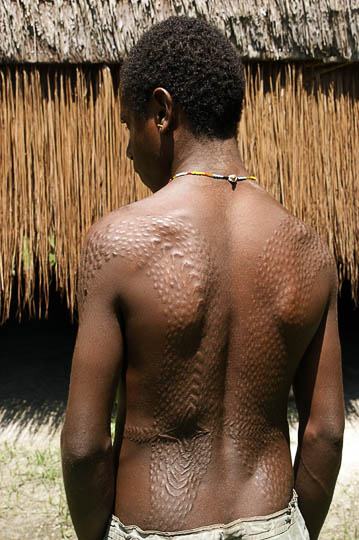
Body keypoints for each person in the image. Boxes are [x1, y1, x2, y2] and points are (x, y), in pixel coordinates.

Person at [61, 16, 345, 540]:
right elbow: (325, 432)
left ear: (162, 111)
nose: (127, 149)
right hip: (274, 522)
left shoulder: (119, 243)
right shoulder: (309, 249)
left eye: (129, 125)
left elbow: (84, 448)